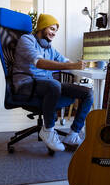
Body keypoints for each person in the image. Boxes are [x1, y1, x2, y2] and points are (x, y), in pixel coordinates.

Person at [12, 13, 93, 152]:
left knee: (87, 93)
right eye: (51, 29)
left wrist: (76, 64)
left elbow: (64, 60)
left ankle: (72, 134)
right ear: (42, 28)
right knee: (54, 85)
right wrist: (71, 66)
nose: (54, 33)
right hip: (27, 85)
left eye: (56, 30)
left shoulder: (49, 48)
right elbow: (40, 63)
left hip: (46, 85)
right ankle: (48, 130)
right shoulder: (27, 40)